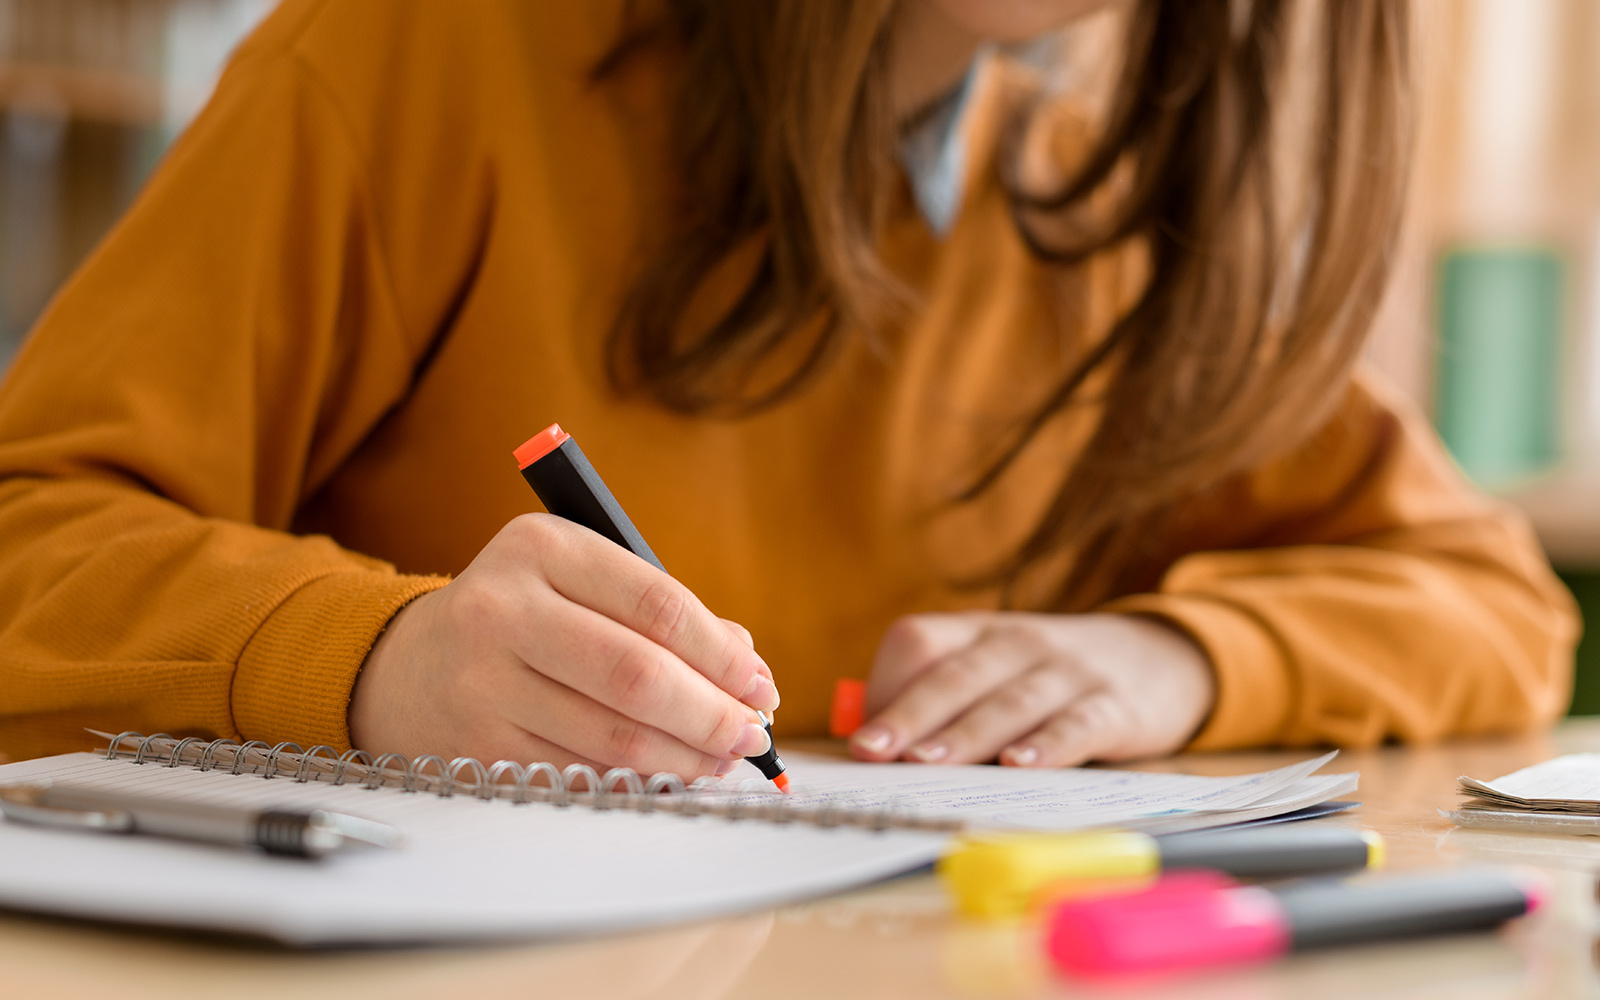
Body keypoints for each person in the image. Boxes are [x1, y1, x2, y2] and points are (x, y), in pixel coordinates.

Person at [0, 0, 1576, 776]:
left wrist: (1173, 660)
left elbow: (1495, 605)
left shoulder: (1105, 230)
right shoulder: (419, 55)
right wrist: (377, 661)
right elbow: (31, 541)